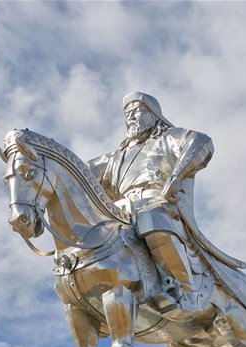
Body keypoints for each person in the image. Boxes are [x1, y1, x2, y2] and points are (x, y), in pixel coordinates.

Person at [88, 92, 238, 312]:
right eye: (127, 114)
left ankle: (184, 288)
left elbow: (202, 142)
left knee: (150, 218)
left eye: (136, 111)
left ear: (153, 114)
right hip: (120, 210)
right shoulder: (117, 157)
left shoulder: (168, 138)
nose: (130, 117)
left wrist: (176, 178)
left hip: (157, 203)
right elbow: (82, 172)